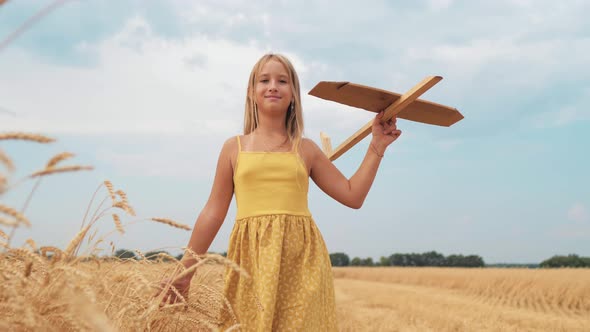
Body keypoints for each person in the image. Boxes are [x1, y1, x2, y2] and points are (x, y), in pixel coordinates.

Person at [158, 53, 401, 331]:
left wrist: (376, 147)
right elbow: (213, 212)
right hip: (251, 262)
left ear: (294, 94)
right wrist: (185, 271)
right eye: (265, 80)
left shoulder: (306, 149)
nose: (273, 86)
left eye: (282, 81)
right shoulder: (234, 147)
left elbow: (352, 195)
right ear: (252, 93)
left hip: (302, 262)